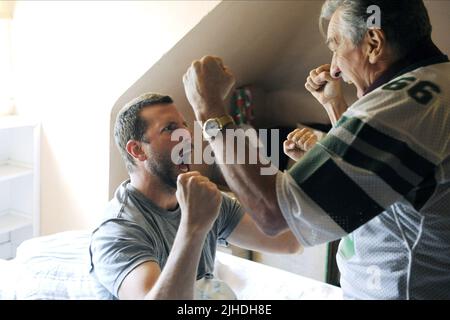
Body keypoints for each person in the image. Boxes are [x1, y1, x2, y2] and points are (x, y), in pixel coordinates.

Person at [182, 0, 450, 299]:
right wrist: (336, 108)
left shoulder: (400, 106)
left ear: (374, 43)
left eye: (336, 47)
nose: (335, 67)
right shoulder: (435, 82)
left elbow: (275, 214)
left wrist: (211, 112)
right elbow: (374, 176)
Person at [89, 93, 301, 300]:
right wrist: (194, 224)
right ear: (137, 150)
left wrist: (303, 170)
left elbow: (290, 242)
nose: (188, 137)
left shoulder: (203, 198)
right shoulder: (118, 230)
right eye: (170, 128)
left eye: (184, 126)